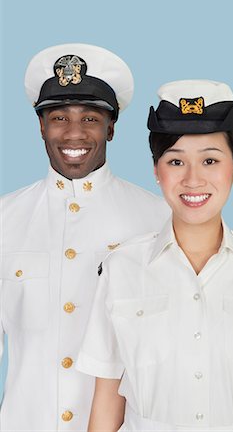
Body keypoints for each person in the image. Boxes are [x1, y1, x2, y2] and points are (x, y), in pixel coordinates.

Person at [77, 80, 233, 432]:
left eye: (210, 160)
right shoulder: (122, 268)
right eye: (176, 161)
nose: (193, 179)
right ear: (156, 170)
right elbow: (106, 403)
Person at [0, 43, 170, 431]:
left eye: (91, 118)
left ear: (111, 127)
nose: (73, 133)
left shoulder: (159, 218)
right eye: (58, 117)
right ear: (40, 126)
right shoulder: (4, 219)